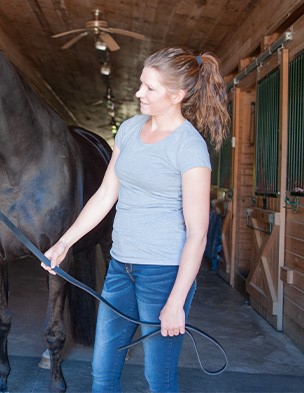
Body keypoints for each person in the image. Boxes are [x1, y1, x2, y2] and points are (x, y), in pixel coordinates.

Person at [43, 47, 229, 392]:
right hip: (119, 268)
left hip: (163, 274)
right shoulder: (129, 130)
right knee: (102, 372)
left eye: (150, 88)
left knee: (158, 379)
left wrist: (176, 301)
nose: (139, 93)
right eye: (141, 84)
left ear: (177, 95)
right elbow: (104, 195)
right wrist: (63, 243)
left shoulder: (189, 148)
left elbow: (198, 234)